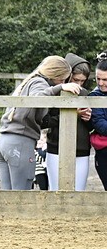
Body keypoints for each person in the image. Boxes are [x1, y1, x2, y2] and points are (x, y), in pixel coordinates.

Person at [0, 56, 82, 190]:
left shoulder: (29, 81)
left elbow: (41, 118)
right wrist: (60, 87)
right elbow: (37, 99)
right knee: (22, 196)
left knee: (8, 197)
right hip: (19, 143)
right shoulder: (39, 83)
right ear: (55, 75)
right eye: (62, 79)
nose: (63, 82)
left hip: (4, 141)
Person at [40, 53, 93, 191]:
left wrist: (88, 118)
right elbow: (45, 121)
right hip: (56, 147)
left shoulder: (85, 94)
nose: (79, 85)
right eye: (76, 80)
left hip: (81, 150)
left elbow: (90, 127)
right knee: (55, 191)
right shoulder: (54, 93)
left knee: (79, 192)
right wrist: (72, 114)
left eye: (83, 81)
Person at [88, 55, 107, 190]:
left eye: (105, 79)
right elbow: (100, 124)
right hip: (104, 151)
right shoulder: (94, 96)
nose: (100, 83)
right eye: (98, 79)